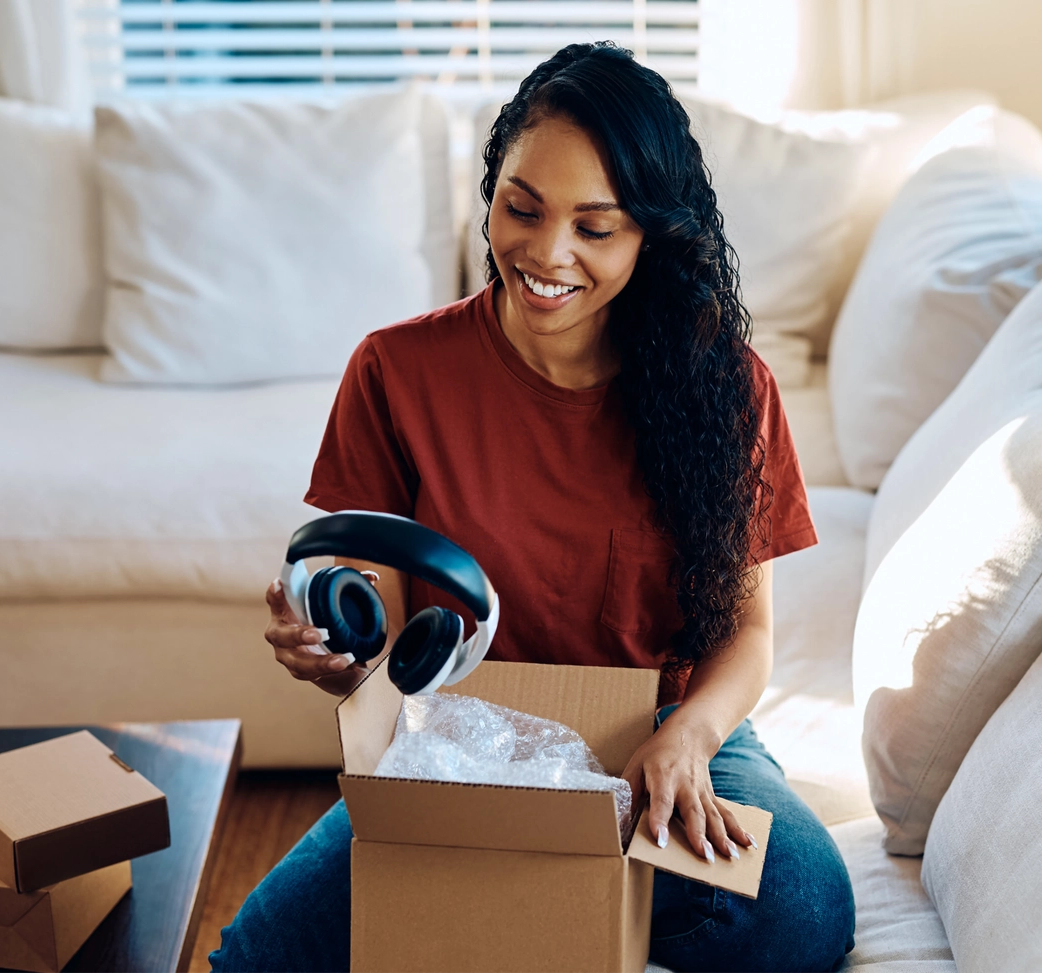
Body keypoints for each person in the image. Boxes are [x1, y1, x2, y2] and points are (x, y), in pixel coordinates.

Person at [210, 43, 856, 973]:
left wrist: (689, 736)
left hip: (662, 736)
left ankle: (513, 911)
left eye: (596, 228)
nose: (547, 254)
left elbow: (747, 635)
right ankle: (548, 906)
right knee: (255, 963)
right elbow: (382, 634)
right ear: (493, 195)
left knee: (800, 908)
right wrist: (334, 653)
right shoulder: (396, 370)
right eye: (523, 208)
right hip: (465, 746)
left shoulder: (730, 389)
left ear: (650, 237)